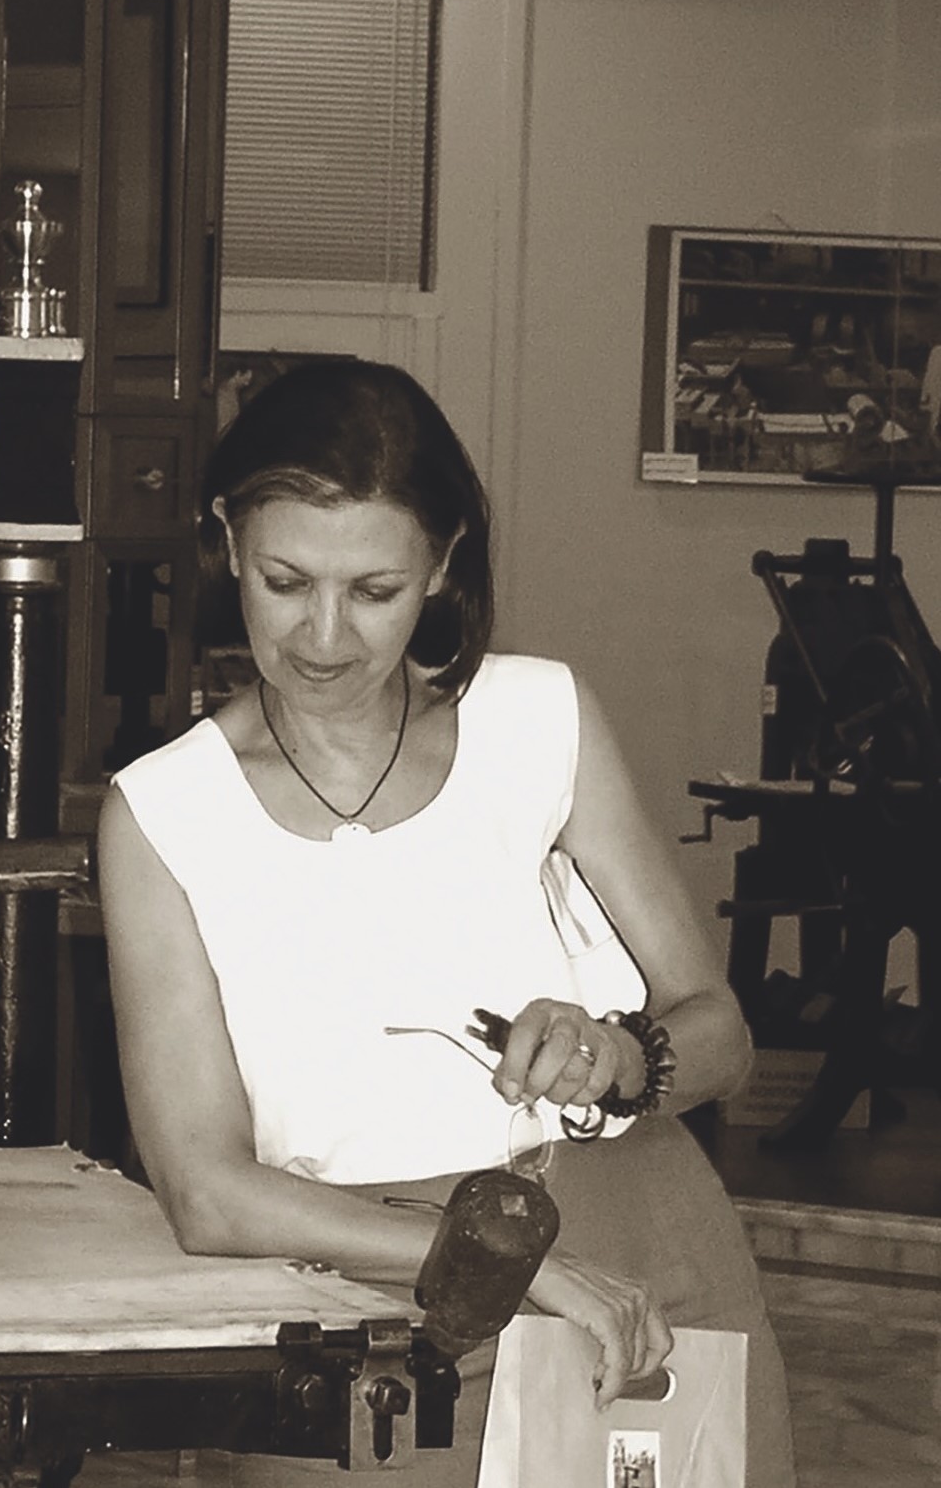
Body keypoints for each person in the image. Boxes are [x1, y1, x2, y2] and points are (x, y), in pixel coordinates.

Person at [94, 360, 794, 1486]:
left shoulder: (538, 718)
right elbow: (205, 1191)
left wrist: (619, 1056)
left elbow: (720, 1032)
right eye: (284, 581)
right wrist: (515, 1267)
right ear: (225, 541)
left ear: (443, 562)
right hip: (359, 1301)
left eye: (374, 590)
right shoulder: (164, 812)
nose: (323, 635)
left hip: (636, 1257)